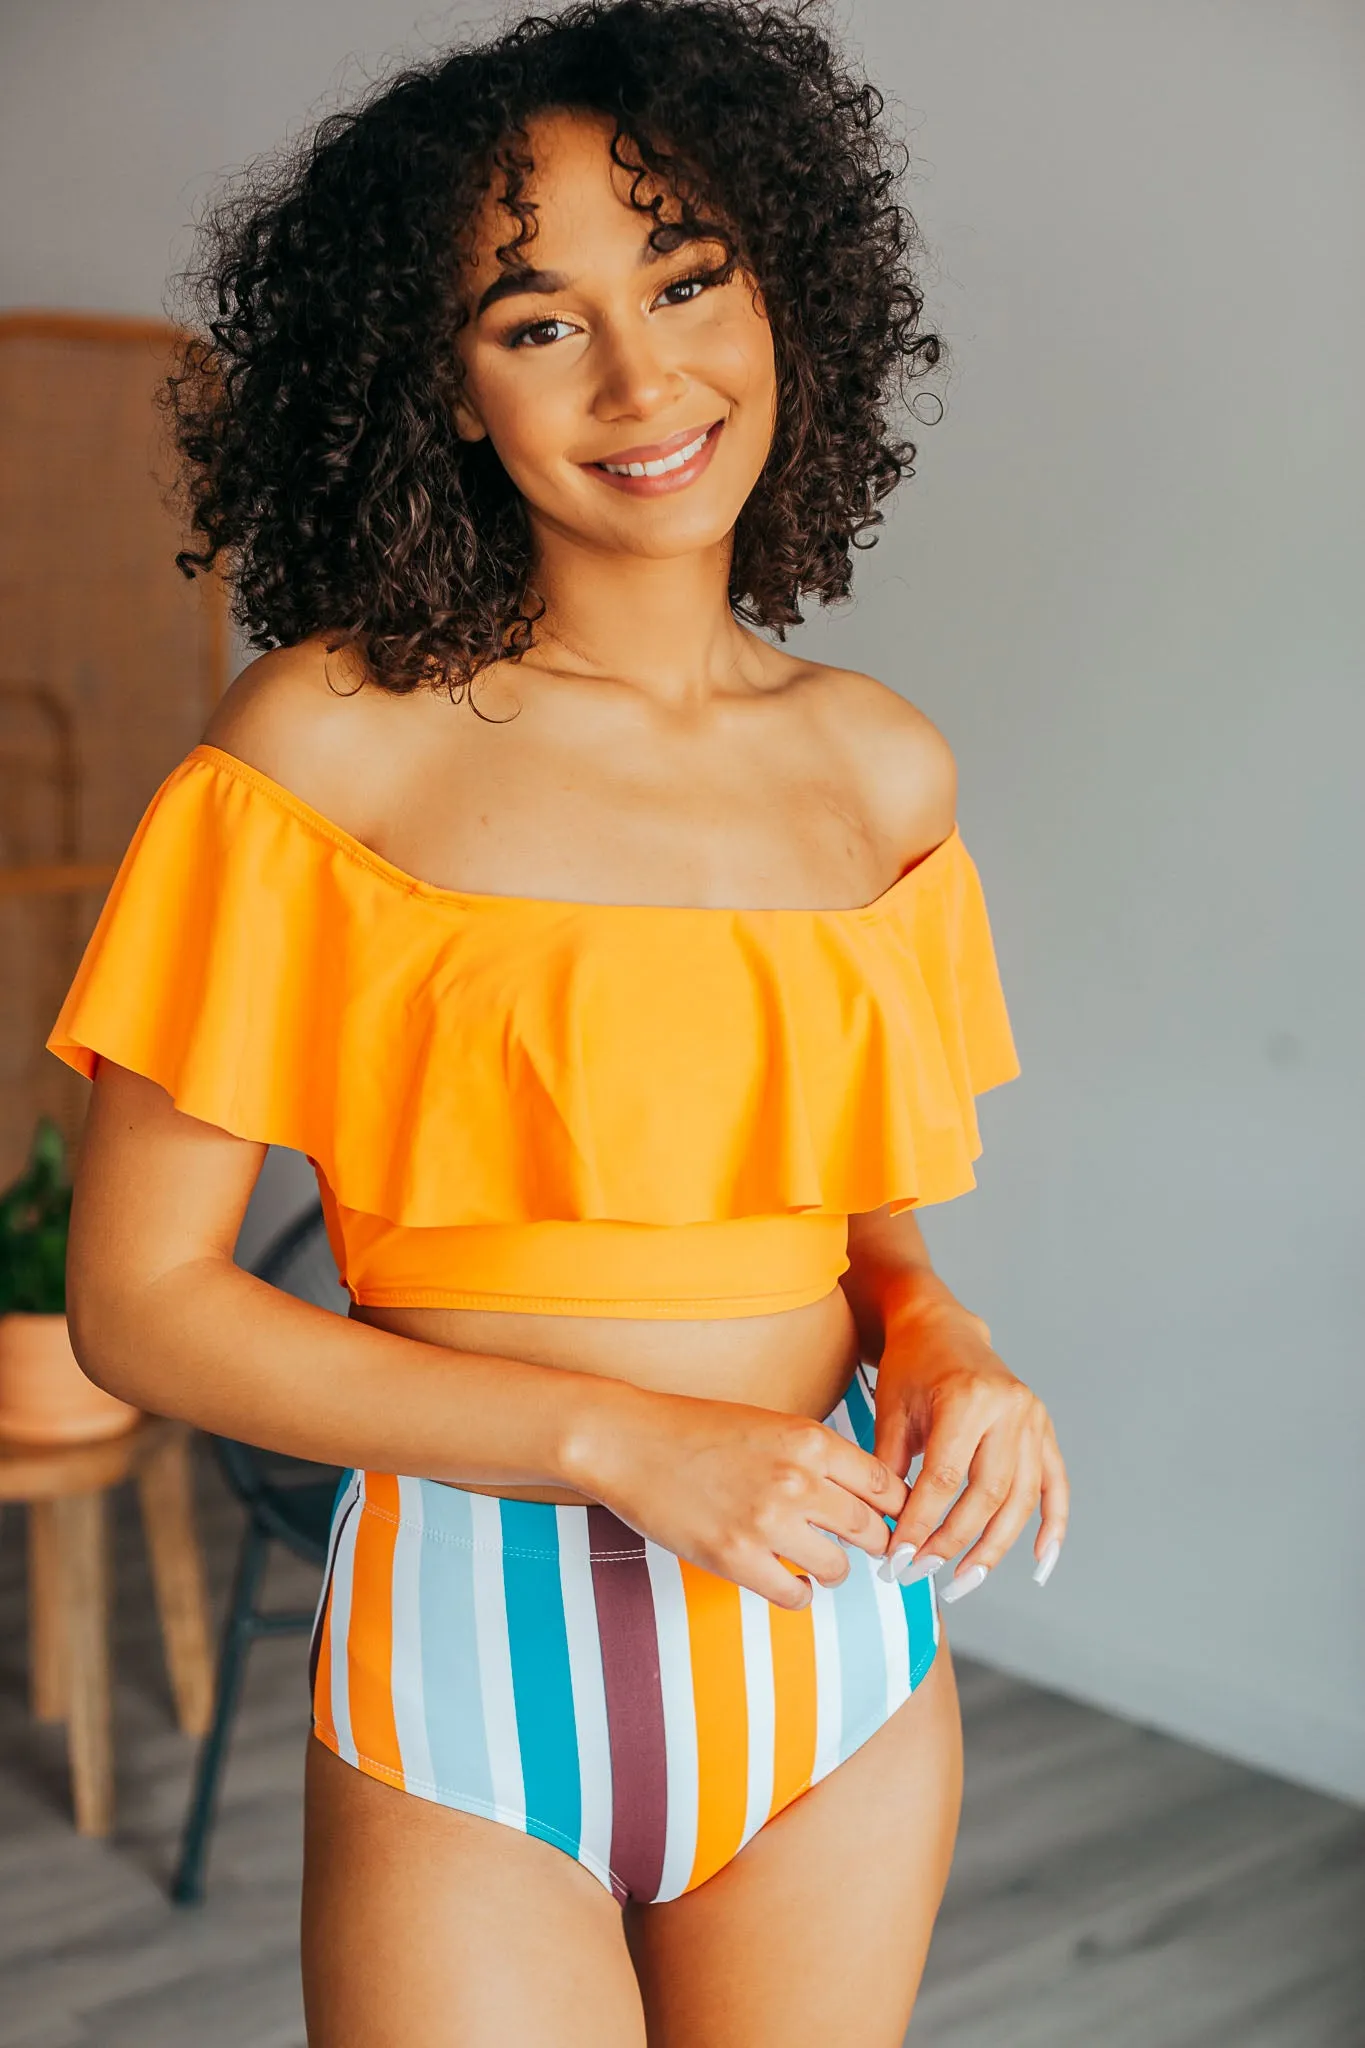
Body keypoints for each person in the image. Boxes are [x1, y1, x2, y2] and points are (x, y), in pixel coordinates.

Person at [47, 3, 1069, 2041]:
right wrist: (624, 1443)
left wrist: (937, 1327)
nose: (641, 374)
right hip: (470, 1667)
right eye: (537, 320)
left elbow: (858, 1216)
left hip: (836, 1652)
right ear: (439, 383)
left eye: (687, 279)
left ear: (787, 290)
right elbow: (137, 1305)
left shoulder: (881, 772)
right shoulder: (325, 747)